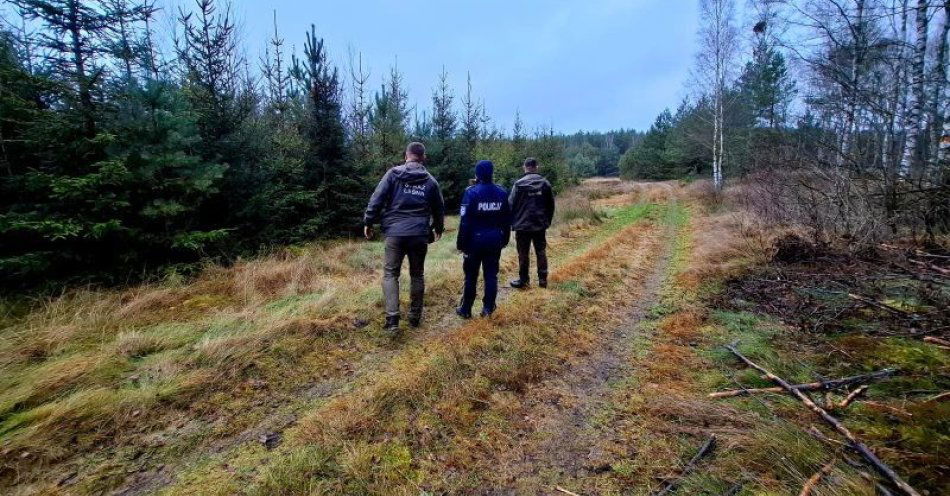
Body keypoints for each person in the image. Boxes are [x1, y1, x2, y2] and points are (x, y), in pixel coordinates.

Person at [364, 142, 445, 334]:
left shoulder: (393, 174)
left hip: (395, 233)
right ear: (423, 157)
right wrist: (438, 228)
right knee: (417, 274)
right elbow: (439, 207)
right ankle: (415, 317)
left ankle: (392, 318)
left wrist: (368, 221)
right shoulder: (430, 181)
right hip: (419, 234)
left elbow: (378, 197)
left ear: (406, 155)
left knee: (391, 274)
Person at [456, 160, 511, 318]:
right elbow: (506, 220)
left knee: (471, 275)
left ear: (477, 174)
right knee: (491, 275)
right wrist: (505, 239)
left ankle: (466, 309)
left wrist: (461, 243)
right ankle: (488, 308)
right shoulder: (501, 192)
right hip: (494, 240)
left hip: (474, 241)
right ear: (492, 173)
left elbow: (464, 221)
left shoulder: (471, 192)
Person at [509, 158, 555, 289]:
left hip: (522, 225)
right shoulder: (545, 183)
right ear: (537, 167)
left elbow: (510, 204)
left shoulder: (518, 184)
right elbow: (551, 205)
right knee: (541, 251)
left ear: (525, 167)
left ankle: (524, 280)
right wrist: (547, 221)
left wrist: (513, 222)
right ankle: (543, 280)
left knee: (523, 253)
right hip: (540, 224)